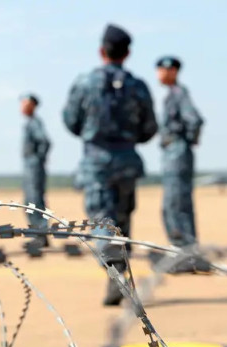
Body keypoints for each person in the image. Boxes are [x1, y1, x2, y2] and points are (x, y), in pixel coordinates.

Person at [62, 23, 158, 306]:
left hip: (97, 162)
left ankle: (115, 270)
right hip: (127, 160)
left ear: (101, 51)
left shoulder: (85, 83)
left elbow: (71, 120)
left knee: (103, 221)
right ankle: (118, 276)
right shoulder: (137, 86)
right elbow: (150, 127)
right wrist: (128, 138)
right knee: (123, 223)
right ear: (126, 53)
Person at [155, 55, 209, 272]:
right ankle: (186, 254)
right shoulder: (172, 95)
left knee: (175, 204)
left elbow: (195, 120)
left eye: (163, 70)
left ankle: (184, 255)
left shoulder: (179, 94)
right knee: (176, 203)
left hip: (176, 151)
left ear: (173, 71)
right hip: (174, 151)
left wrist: (186, 141)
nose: (159, 74)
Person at [19, 93, 52, 248]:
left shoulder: (35, 123)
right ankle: (38, 234)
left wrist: (38, 160)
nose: (21, 106)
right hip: (30, 166)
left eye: (24, 103)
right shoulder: (31, 122)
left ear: (32, 105)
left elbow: (45, 141)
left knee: (35, 201)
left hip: (34, 166)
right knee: (29, 201)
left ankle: (41, 235)